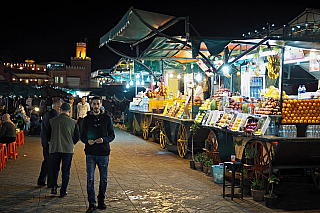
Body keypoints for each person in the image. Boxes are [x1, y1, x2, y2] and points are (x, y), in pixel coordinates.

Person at [81, 96, 115, 213]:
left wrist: (104, 140)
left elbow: (112, 135)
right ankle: (92, 203)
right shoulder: (86, 119)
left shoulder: (107, 118)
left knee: (103, 179)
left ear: (101, 105)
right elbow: (82, 136)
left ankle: (101, 200)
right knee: (90, 179)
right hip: (90, 153)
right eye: (94, 104)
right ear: (91, 105)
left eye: (98, 104)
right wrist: (87, 141)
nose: (96, 106)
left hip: (103, 153)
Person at [47, 103, 80, 197]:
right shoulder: (73, 122)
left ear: (60, 110)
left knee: (54, 169)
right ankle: (63, 190)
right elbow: (77, 137)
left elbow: (47, 135)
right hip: (68, 150)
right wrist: (71, 143)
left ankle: (53, 187)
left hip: (54, 149)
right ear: (69, 111)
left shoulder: (52, 121)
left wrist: (52, 142)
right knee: (66, 171)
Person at [37, 100, 62, 187]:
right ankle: (50, 183)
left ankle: (42, 180)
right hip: (49, 143)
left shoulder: (48, 114)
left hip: (46, 141)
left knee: (47, 161)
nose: (60, 110)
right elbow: (51, 129)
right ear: (56, 107)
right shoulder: (53, 115)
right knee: (51, 162)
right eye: (60, 108)